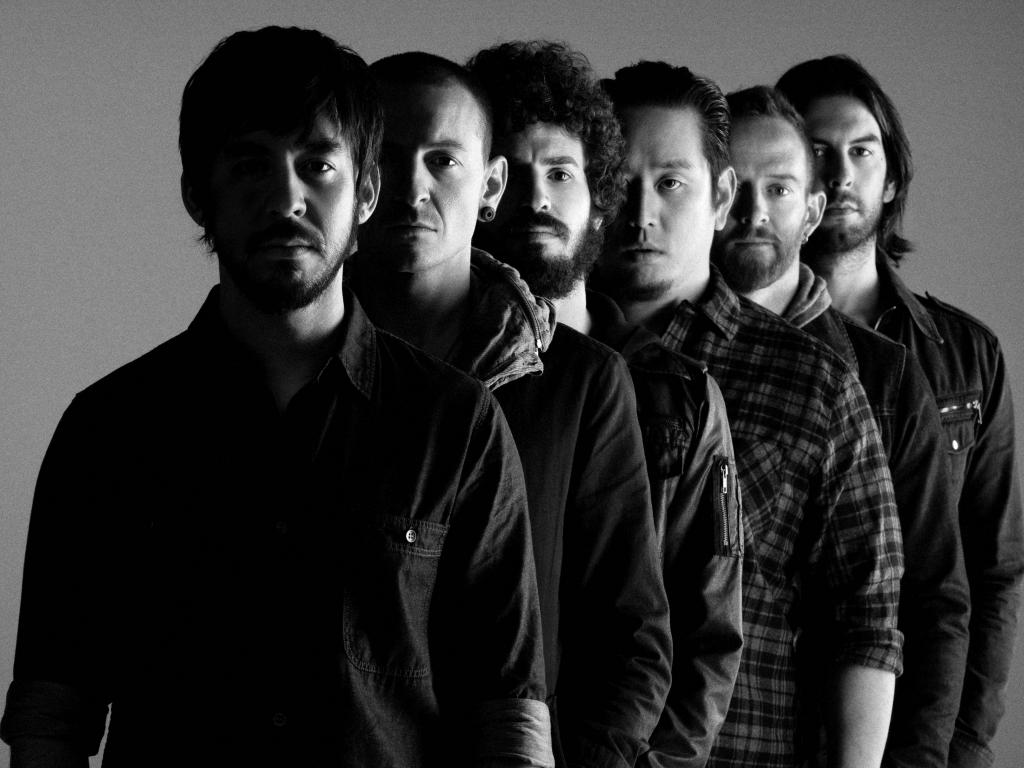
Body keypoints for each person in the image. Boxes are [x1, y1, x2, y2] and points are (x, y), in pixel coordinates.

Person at [0, 26, 553, 768]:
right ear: (198, 194)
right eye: (250, 164)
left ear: (365, 192)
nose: (287, 197)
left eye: (317, 165)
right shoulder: (109, 429)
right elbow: (51, 717)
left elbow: (507, 718)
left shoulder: (456, 423)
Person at [350, 52, 673, 768]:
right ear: (352, 174)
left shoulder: (583, 383)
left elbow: (631, 639)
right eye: (387, 158)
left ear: (490, 185)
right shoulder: (301, 365)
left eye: (443, 160)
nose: (413, 187)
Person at [596, 61, 904, 768]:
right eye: (619, 182)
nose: (640, 212)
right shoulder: (544, 364)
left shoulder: (815, 383)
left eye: (671, 182)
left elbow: (866, 618)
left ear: (719, 195)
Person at [468, 41, 743, 768]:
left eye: (561, 174)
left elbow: (701, 643)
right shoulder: (438, 371)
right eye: (513, 173)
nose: (536, 199)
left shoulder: (679, 395)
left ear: (600, 199)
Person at [777, 55, 1024, 768]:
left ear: (892, 180)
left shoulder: (966, 356)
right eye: (817, 152)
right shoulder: (736, 345)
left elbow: (994, 572)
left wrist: (964, 744)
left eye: (861, 151)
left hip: (921, 734)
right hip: (772, 718)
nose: (839, 174)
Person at [714, 84, 971, 768]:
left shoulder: (880, 376)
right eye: (736, 187)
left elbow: (929, 601)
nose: (753, 211)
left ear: (812, 210)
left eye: (779, 189)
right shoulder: (653, 356)